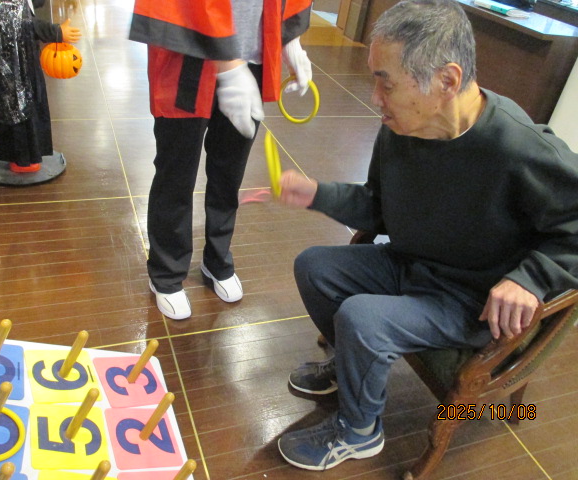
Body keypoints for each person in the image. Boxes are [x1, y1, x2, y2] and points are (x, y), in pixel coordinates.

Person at [275, 0, 578, 471]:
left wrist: (530, 279)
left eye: (387, 82)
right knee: (314, 267)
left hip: (470, 299)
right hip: (413, 264)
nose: (376, 98)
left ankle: (359, 431)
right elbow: (379, 206)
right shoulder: (401, 127)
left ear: (448, 81)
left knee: (362, 319)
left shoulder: (521, 148)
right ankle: (350, 367)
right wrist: (317, 194)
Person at [129, 1, 314, 320]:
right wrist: (228, 67)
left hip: (253, 55)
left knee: (230, 171)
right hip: (186, 51)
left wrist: (290, 37)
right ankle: (166, 272)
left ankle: (217, 259)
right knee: (176, 173)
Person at [0, 0, 81, 173]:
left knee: (28, 101)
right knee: (17, 104)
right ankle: (21, 159)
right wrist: (56, 32)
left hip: (23, 55)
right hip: (12, 61)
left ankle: (28, 155)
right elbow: (14, 20)